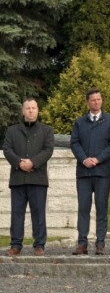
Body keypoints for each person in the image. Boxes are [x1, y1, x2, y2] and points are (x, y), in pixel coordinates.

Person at [70, 89, 110, 255]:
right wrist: (85, 159)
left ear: (102, 101)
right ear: (88, 102)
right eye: (93, 100)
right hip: (84, 173)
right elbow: (74, 143)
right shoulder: (79, 122)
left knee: (102, 208)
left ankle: (100, 243)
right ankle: (82, 243)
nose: (96, 102)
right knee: (83, 208)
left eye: (99, 99)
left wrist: (97, 159)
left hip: (102, 172)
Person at [3, 99, 55, 256]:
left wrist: (33, 162)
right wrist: (19, 163)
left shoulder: (47, 130)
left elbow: (48, 150)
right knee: (17, 213)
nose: (31, 111)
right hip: (18, 179)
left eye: (33, 108)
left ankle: (39, 245)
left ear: (38, 110)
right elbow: (7, 149)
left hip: (38, 179)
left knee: (38, 213)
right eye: (28, 108)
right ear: (23, 111)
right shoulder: (12, 131)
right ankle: (16, 245)